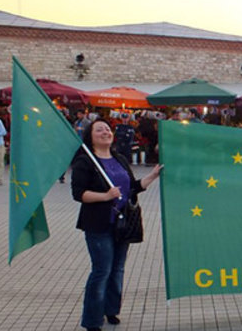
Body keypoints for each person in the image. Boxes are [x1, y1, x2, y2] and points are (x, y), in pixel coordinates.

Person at [71, 119, 162, 331]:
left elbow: (131, 188)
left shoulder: (119, 158)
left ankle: (111, 310)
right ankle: (92, 320)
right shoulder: (86, 161)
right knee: (102, 270)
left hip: (123, 224)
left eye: (107, 129)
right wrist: (105, 196)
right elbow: (79, 194)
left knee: (118, 269)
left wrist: (152, 176)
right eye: (99, 130)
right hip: (98, 224)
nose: (105, 132)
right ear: (90, 136)